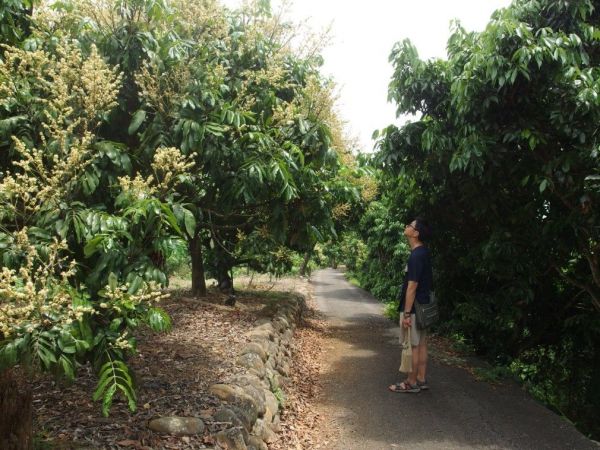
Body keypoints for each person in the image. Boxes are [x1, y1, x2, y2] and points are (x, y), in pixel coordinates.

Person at [389, 217, 433, 393]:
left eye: (410, 225)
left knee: (413, 346)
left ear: (415, 233)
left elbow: (412, 286)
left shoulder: (415, 256)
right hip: (424, 307)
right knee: (421, 344)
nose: (406, 227)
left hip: (414, 309)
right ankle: (421, 378)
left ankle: (410, 382)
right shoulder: (424, 252)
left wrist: (407, 314)